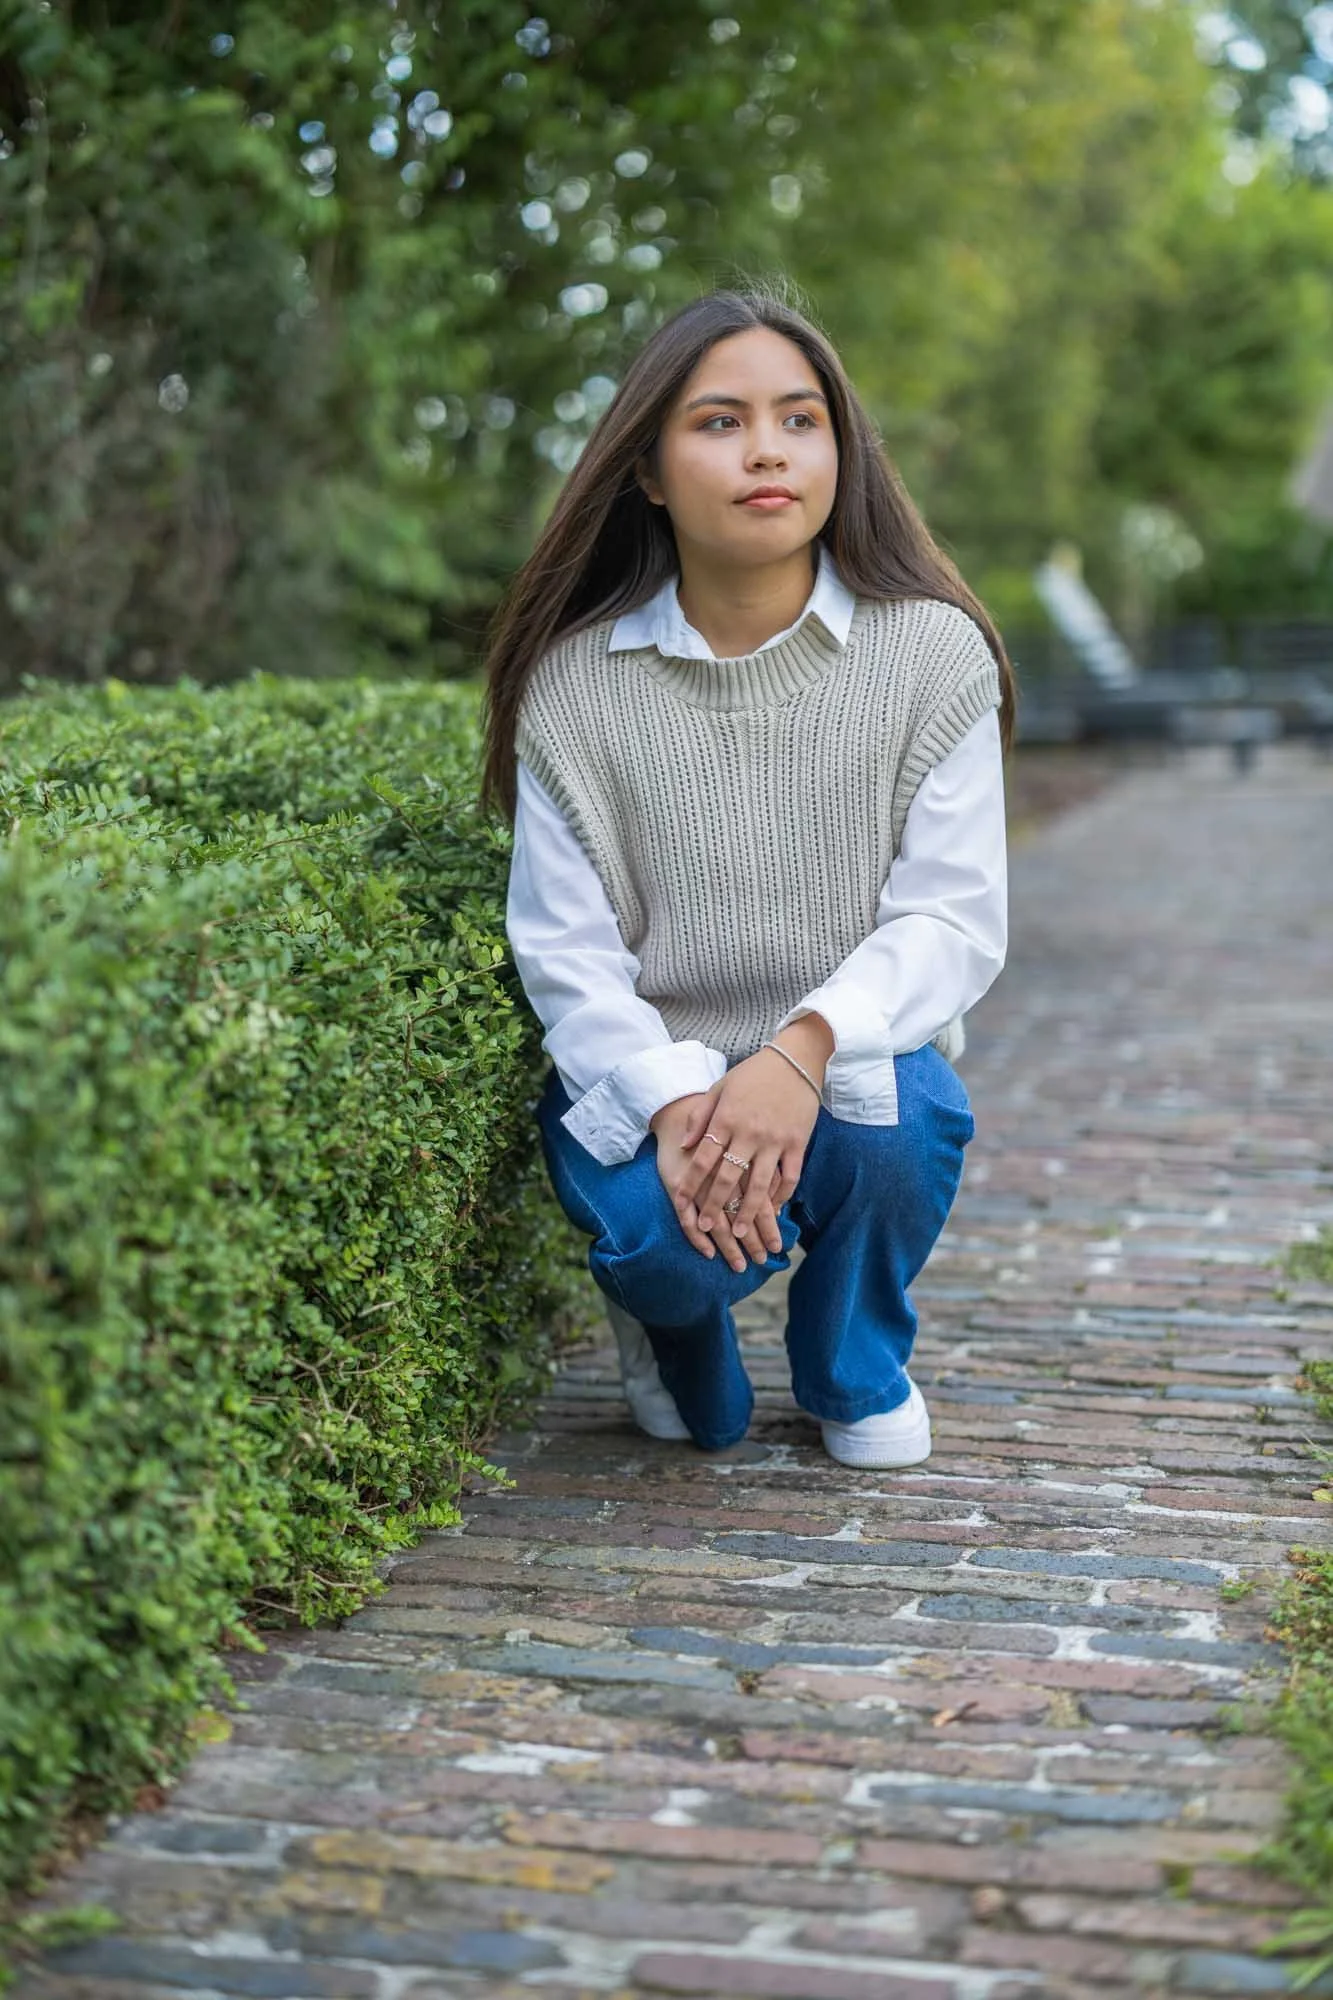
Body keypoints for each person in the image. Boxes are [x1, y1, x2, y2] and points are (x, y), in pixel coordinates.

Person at [481, 283, 1012, 1468]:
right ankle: (669, 1321)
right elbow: (566, 951)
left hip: (839, 1059)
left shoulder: (930, 654)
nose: (765, 447)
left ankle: (852, 1359)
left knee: (896, 1125)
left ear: (839, 451)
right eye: (717, 420)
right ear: (651, 471)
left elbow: (951, 917)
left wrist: (798, 1051)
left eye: (799, 417)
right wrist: (682, 1103)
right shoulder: (577, 685)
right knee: (671, 1302)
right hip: (653, 1069)